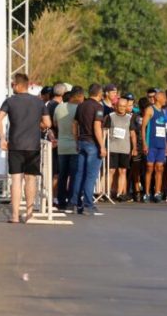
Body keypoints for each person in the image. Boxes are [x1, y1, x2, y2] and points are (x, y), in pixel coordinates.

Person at [0, 73, 51, 223]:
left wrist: (2, 138)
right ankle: (29, 213)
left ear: (19, 85)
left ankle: (14, 215)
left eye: (13, 84)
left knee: (16, 180)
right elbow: (48, 123)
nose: (12, 86)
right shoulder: (39, 102)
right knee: (30, 179)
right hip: (33, 145)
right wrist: (36, 124)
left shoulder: (10, 101)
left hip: (15, 144)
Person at [71, 83, 107, 216]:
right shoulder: (98, 107)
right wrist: (102, 146)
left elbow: (74, 124)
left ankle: (75, 203)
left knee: (80, 174)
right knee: (91, 175)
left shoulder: (81, 106)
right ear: (99, 93)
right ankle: (88, 204)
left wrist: (76, 140)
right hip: (92, 143)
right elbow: (97, 126)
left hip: (81, 142)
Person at [53, 86, 84, 211]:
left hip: (62, 145)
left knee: (62, 175)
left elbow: (55, 123)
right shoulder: (78, 108)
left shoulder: (59, 107)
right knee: (74, 175)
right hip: (74, 145)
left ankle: (61, 200)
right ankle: (72, 200)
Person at [104, 93, 137, 202]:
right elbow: (105, 132)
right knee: (111, 171)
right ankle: (107, 192)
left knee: (123, 171)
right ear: (116, 106)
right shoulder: (110, 116)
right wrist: (103, 146)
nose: (122, 108)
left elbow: (132, 133)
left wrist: (134, 148)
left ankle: (119, 193)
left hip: (124, 149)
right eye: (120, 106)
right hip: (112, 148)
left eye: (124, 106)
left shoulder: (129, 118)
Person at [142, 89, 167, 203]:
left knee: (160, 169)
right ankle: (147, 193)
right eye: (164, 98)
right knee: (149, 168)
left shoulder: (163, 111)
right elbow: (143, 127)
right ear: (158, 98)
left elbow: (164, 130)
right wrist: (144, 143)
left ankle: (157, 192)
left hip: (161, 145)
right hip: (151, 144)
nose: (166, 100)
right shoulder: (150, 110)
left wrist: (166, 146)